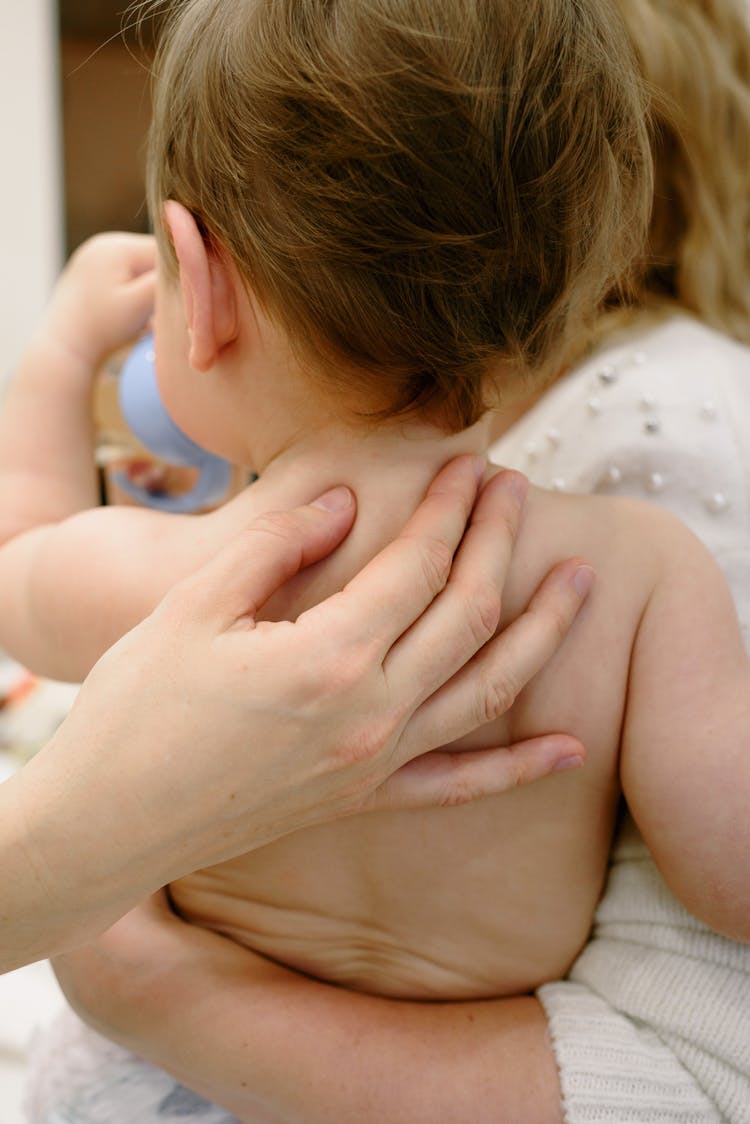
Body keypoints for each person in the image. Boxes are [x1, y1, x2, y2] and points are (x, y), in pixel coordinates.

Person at [2, 0, 748, 1121]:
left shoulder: (173, 577)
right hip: (474, 1076)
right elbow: (733, 874)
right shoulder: (638, 576)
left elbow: (17, 558)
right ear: (568, 296)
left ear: (197, 293)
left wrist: (62, 353)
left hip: (169, 1081)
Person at [0, 461, 594, 977]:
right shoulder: (635, 556)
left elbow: (12, 551)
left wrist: (69, 349)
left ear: (209, 328)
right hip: (477, 1064)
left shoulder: (163, 566)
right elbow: (693, 881)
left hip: (180, 1060)